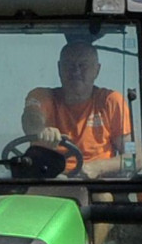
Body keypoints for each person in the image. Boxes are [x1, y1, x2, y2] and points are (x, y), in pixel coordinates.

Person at [21, 39, 132, 177]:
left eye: (83, 65)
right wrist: (41, 131)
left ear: (97, 70)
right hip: (47, 178)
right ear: (59, 68)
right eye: (69, 65)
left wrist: (98, 168)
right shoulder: (42, 96)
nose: (76, 71)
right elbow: (31, 118)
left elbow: (132, 157)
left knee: (103, 198)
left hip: (95, 185)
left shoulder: (111, 102)